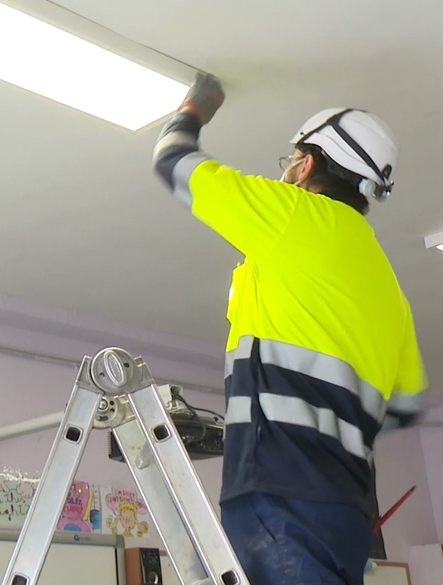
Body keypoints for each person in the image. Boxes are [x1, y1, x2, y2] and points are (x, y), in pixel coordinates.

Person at [152, 74, 427, 585]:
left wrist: (195, 107)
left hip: (278, 494)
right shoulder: (388, 285)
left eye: (291, 160)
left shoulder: (294, 217)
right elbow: (406, 405)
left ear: (306, 166)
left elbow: (174, 162)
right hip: (347, 512)